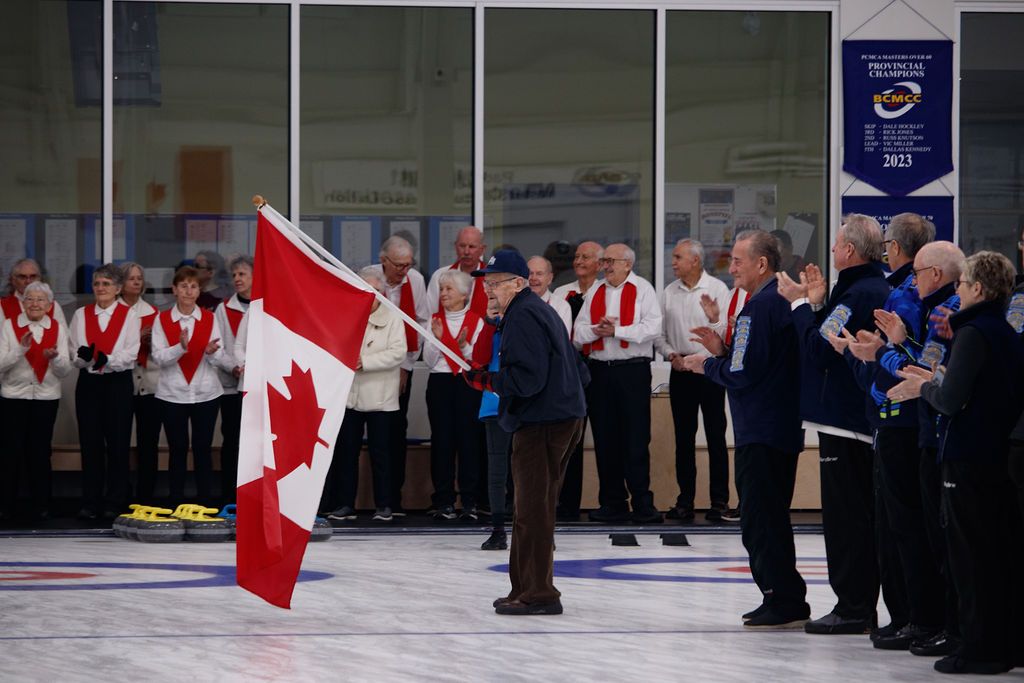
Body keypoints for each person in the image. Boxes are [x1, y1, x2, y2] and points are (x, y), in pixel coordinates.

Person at [888, 250, 1024, 675]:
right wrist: (932, 379)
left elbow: (950, 400)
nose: (958, 291)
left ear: (978, 288)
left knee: (970, 557)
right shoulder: (1004, 330)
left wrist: (923, 389)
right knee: (994, 554)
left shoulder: (974, 332)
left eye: (962, 284)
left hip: (968, 457)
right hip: (996, 454)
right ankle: (1001, 643)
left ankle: (979, 647)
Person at [681, 230, 808, 629]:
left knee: (760, 518)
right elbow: (756, 361)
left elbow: (743, 372)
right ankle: (783, 596)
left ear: (762, 264)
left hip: (763, 428)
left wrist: (705, 364)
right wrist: (722, 350)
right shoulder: (774, 302)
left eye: (738, 261)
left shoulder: (761, 306)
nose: (731, 268)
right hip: (776, 425)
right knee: (768, 515)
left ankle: (782, 598)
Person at [826, 215, 942, 650]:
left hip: (902, 418)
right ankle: (907, 616)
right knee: (895, 527)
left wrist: (865, 356)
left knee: (905, 526)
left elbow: (903, 362)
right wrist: (864, 354)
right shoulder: (900, 289)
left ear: (894, 247)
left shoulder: (907, 294)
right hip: (895, 418)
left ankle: (917, 617)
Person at [776, 214, 890, 635]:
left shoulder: (858, 291)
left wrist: (799, 304)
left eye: (838, 244)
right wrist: (818, 303)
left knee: (847, 519)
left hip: (845, 420)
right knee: (859, 515)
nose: (832, 249)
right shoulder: (869, 286)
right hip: (857, 418)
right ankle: (859, 604)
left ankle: (854, 607)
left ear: (851, 251)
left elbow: (818, 348)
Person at [464, 250, 588, 615]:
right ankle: (524, 588)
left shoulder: (523, 316)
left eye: (495, 283)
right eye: (486, 284)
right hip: (556, 417)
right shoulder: (532, 311)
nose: (488, 290)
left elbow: (528, 379)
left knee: (533, 510)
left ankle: (539, 594)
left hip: (544, 422)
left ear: (518, 283)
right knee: (529, 508)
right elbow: (577, 370)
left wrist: (485, 381)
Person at [573, 243, 663, 524]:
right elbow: (578, 333)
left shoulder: (643, 289)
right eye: (604, 261)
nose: (606, 266)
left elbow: (653, 328)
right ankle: (612, 502)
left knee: (636, 438)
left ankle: (642, 503)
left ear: (628, 264)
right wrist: (598, 330)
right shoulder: (595, 291)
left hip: (632, 372)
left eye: (611, 261)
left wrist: (617, 330)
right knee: (605, 439)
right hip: (600, 372)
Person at [655, 238, 732, 522]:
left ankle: (719, 501)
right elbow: (659, 335)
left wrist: (704, 359)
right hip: (681, 370)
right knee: (683, 438)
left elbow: (724, 333)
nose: (672, 262)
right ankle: (685, 501)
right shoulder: (668, 292)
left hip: (711, 370)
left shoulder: (718, 289)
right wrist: (670, 354)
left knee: (715, 435)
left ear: (695, 260)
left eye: (678, 257)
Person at [323, 268, 406, 523]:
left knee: (382, 455)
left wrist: (365, 361)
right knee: (347, 453)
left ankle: (385, 505)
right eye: (361, 288)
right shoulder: (345, 314)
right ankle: (345, 504)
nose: (366, 293)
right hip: (350, 396)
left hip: (381, 398)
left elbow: (398, 353)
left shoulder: (393, 316)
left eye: (371, 289)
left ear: (380, 293)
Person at [69, 263, 140, 520]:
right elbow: (74, 353)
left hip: (117, 384)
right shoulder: (81, 314)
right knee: (90, 444)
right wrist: (85, 358)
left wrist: (105, 359)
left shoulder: (129, 315)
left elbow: (131, 353)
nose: (101, 288)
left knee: (118, 444)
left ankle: (115, 500)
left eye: (106, 284)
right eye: (97, 283)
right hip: (89, 384)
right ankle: (91, 501)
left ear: (118, 289)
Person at [365, 236, 429, 517]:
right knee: (371, 435)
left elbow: (421, 322)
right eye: (399, 265)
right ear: (384, 261)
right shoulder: (368, 277)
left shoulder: (415, 280)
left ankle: (394, 498)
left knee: (395, 431)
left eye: (408, 264)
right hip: (367, 367)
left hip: (400, 365)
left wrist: (406, 366)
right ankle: (369, 500)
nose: (404, 270)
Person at [150, 266, 225, 503]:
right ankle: (176, 500)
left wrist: (211, 353)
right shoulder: (162, 319)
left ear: (199, 290)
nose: (189, 291)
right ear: (174, 290)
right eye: (183, 286)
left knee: (203, 448)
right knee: (178, 448)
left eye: (193, 286)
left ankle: (205, 501)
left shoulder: (210, 318)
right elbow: (159, 357)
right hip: (172, 394)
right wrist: (180, 348)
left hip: (206, 393)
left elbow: (218, 356)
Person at [0, 282, 71, 520]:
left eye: (41, 299)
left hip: (46, 398)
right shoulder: (9, 326)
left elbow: (65, 370)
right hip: (14, 397)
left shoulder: (57, 329)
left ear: (49, 305)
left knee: (40, 453)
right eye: (30, 299)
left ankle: (42, 505)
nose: (35, 304)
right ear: (23, 303)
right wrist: (20, 349)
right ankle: (6, 506)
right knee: (10, 452)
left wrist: (55, 358)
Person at [422, 269, 487, 521]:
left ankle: (470, 501)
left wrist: (460, 346)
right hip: (440, 382)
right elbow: (429, 360)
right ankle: (444, 500)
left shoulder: (476, 321)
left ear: (464, 294)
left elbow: (476, 359)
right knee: (442, 442)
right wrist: (440, 341)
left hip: (467, 384)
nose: (443, 293)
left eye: (449, 289)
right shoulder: (433, 321)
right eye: (442, 289)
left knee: (469, 442)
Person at [551, 240, 604, 520]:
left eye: (585, 257)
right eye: (577, 256)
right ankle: (566, 503)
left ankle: (610, 502)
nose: (578, 261)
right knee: (570, 437)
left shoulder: (606, 291)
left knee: (606, 437)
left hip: (600, 367)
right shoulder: (562, 292)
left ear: (600, 263)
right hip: (569, 369)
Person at [118, 262, 162, 503]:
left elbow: (163, 352)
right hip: (122, 383)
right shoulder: (114, 311)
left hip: (149, 383)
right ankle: (121, 494)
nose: (136, 282)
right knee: (119, 441)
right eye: (131, 278)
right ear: (121, 283)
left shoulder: (153, 312)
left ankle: (146, 496)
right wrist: (136, 338)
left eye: (139, 278)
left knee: (148, 443)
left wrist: (152, 340)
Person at [213, 255, 252, 505]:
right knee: (233, 442)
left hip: (258, 388)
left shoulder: (268, 306)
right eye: (234, 275)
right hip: (231, 387)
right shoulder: (224, 308)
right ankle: (230, 495)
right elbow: (218, 348)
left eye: (242, 274)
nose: (237, 279)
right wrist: (235, 367)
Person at [476, 297, 512, 550]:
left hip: (525, 406)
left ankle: (538, 529)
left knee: (530, 472)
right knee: (497, 471)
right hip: (494, 404)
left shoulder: (525, 322)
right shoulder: (491, 327)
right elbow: (479, 358)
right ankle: (498, 529)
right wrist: (489, 323)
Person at [426, 226, 488, 317]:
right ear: (455, 246)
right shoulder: (440, 276)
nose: (466, 252)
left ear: (482, 249)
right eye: (462, 246)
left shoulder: (491, 280)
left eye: (471, 247)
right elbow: (430, 314)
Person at [1, 258, 68, 330]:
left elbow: (63, 334)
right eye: (23, 277)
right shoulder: (2, 306)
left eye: (33, 276)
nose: (28, 281)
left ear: (39, 278)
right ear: (14, 279)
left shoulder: (52, 305)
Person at [527, 256, 572, 334]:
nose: (533, 278)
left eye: (539, 274)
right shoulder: (513, 303)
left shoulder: (561, 306)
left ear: (550, 278)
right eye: (530, 273)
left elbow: (561, 339)